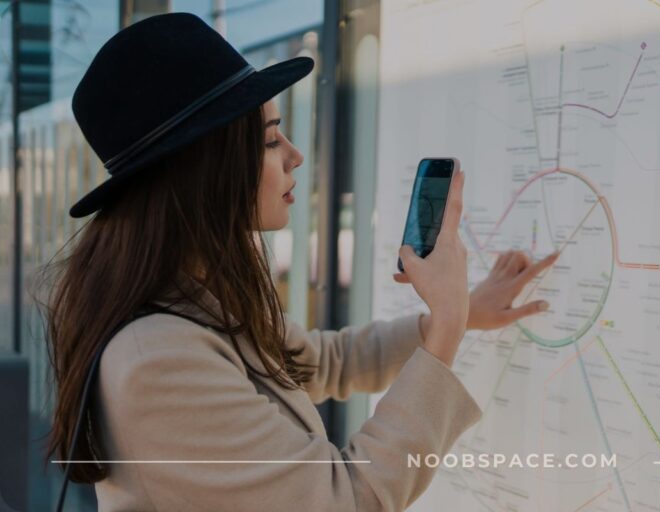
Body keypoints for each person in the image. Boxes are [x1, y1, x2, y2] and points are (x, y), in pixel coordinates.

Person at [43, 13, 557, 511]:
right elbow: (346, 501)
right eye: (269, 140)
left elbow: (323, 362)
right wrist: (446, 328)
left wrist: (460, 314)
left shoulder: (194, 300)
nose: (294, 154)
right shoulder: (156, 358)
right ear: (205, 169)